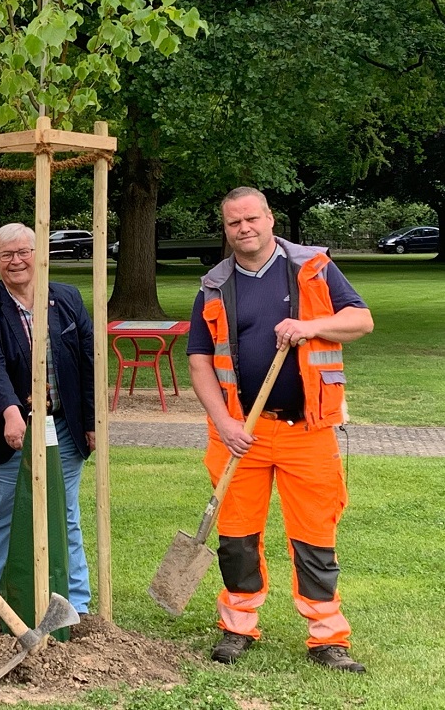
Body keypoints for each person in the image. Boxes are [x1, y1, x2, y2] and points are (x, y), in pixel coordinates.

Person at [186, 187, 374, 673]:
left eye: (252, 218)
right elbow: (200, 360)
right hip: (239, 434)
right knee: (237, 536)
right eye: (233, 223)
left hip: (307, 431)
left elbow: (361, 320)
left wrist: (311, 327)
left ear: (270, 219)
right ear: (225, 229)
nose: (244, 228)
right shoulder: (213, 284)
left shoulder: (313, 266)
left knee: (314, 536)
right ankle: (237, 627)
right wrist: (224, 423)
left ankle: (327, 637)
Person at [0, 223, 96, 616]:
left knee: (65, 513)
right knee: (1, 514)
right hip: (8, 429)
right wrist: (10, 413)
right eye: (5, 255)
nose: (16, 261)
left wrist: (90, 422)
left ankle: (78, 604)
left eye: (23, 252)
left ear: (39, 255)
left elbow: (87, 361)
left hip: (63, 427)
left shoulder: (66, 298)